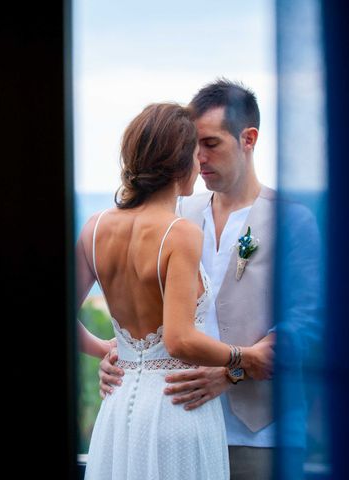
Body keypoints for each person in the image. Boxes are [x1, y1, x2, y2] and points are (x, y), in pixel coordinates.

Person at [98, 79, 321, 479]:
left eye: (211, 143)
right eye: (192, 147)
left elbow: (306, 327)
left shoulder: (293, 220)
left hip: (260, 434)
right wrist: (119, 358)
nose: (199, 157)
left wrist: (231, 372)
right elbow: (147, 309)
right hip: (178, 427)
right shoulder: (177, 214)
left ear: (248, 138)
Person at [77, 102, 273, 479]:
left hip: (118, 409)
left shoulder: (94, 228)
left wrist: (108, 350)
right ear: (182, 164)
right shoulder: (179, 231)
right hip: (177, 408)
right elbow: (180, 340)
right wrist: (242, 357)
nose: (201, 164)